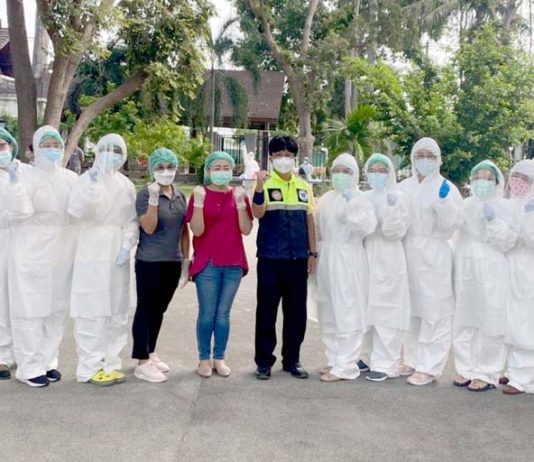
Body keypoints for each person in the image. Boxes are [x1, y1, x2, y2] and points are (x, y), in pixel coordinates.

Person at [9, 126, 78, 387]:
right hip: (31, 250)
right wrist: (15, 186)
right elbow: (19, 211)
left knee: (56, 310)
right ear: (34, 149)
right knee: (30, 310)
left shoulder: (70, 178)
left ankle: (48, 361)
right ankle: (28, 367)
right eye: (46, 145)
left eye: (56, 145)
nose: (52, 149)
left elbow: (79, 212)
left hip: (62, 250)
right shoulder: (24, 176)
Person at [67, 134, 138, 386]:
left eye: (117, 151)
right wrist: (93, 185)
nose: (112, 155)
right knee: (92, 308)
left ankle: (110, 362)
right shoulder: (86, 180)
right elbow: (78, 212)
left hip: (117, 251)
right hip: (92, 248)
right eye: (107, 150)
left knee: (116, 309)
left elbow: (132, 220)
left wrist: (127, 244)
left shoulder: (126, 185)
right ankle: (89, 366)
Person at [398, 137, 464, 386]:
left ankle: (430, 366)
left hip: (434, 253)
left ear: (438, 159)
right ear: (413, 158)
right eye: (420, 155)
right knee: (412, 310)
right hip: (407, 252)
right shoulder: (404, 187)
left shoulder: (446, 188)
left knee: (435, 311)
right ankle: (413, 359)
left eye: (430, 156)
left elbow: (454, 224)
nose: (424, 160)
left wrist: (444, 204)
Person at [252, 135, 317, 380]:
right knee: (266, 313)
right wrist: (259, 187)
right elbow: (258, 213)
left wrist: (312, 253)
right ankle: (263, 362)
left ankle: (292, 360)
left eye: (288, 155)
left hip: (297, 259)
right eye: (278, 155)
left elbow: (310, 221)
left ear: (294, 158)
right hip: (270, 259)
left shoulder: (303, 186)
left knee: (296, 314)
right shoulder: (265, 183)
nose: (283, 159)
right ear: (270, 158)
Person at [186, 151, 253, 378]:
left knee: (223, 314)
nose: (222, 172)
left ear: (233, 170)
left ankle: (219, 358)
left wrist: (241, 205)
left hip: (233, 262)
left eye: (226, 168)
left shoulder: (239, 195)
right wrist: (198, 204)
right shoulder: (199, 194)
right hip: (208, 263)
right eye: (217, 168)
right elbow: (197, 230)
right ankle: (204, 359)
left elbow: (246, 230)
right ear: (208, 170)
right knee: (207, 313)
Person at [452, 160, 516, 392]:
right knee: (465, 317)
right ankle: (466, 368)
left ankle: (487, 372)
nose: (482, 182)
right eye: (478, 177)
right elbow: (454, 232)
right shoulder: (466, 205)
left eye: (488, 178)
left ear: (497, 181)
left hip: (492, 266)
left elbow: (508, 241)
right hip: (466, 265)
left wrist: (494, 221)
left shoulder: (505, 207)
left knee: (490, 318)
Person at [313, 153, 376, 382]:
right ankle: (333, 359)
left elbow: (366, 227)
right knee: (328, 311)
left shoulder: (360, 199)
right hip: (326, 257)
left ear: (355, 174)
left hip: (349, 258)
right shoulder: (326, 198)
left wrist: (352, 206)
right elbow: (317, 229)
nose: (341, 175)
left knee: (348, 310)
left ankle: (346, 365)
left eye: (346, 171)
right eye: (337, 171)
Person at [132, 148, 190, 383]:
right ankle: (141, 361)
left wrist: (186, 260)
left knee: (159, 309)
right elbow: (148, 227)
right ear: (152, 169)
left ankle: (151, 351)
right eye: (160, 167)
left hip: (172, 261)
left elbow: (184, 230)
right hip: (149, 261)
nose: (166, 171)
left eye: (170, 167)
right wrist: (154, 200)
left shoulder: (180, 195)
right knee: (146, 308)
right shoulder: (145, 194)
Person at [362, 153, 411, 382]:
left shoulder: (398, 197)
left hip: (389, 255)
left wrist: (391, 210)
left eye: (382, 170)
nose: (377, 175)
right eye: (373, 170)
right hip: (366, 254)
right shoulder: (364, 197)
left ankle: (386, 362)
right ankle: (366, 356)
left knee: (386, 309)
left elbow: (396, 232)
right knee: (366, 307)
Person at [0, 127, 33, 381]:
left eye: (2, 146)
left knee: (24, 299)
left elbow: (30, 210)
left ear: (12, 146)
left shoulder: (26, 173)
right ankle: (3, 356)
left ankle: (27, 354)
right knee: (1, 300)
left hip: (25, 243)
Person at [502, 159, 534, 395]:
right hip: (510, 265)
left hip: (527, 265)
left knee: (525, 320)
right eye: (516, 177)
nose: (518, 182)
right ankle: (514, 370)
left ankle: (525, 378)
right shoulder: (510, 203)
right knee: (510, 320)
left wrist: (524, 227)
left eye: (525, 179)